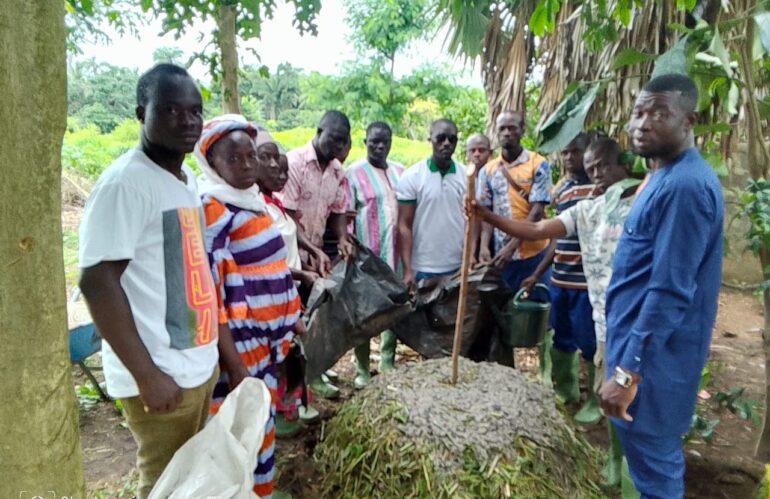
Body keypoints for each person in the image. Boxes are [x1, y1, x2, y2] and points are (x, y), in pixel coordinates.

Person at [466, 136, 640, 494]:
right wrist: (487, 215)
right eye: (592, 169)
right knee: (610, 396)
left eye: (604, 166)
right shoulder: (587, 210)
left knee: (641, 404)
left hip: (643, 321)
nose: (598, 174)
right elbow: (537, 229)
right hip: (608, 322)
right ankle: (615, 462)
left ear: (624, 164)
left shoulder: (643, 200)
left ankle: (635, 472)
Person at [78, 64, 219, 499]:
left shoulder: (184, 178)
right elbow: (98, 283)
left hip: (195, 365)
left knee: (192, 479)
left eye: (195, 111)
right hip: (161, 377)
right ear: (142, 113)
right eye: (172, 110)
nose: (188, 121)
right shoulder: (126, 184)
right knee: (163, 486)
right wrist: (147, 375)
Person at [599, 74, 723, 498]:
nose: (643, 123)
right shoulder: (665, 177)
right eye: (638, 112)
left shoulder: (685, 187)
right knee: (650, 468)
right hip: (644, 358)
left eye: (659, 113)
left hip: (654, 368)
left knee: (656, 476)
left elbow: (670, 290)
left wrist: (627, 372)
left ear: (690, 120)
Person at [196, 115, 301, 498]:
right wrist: (235, 364)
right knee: (236, 430)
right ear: (213, 164)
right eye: (233, 159)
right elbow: (213, 293)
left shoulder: (254, 203)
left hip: (266, 347)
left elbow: (274, 271)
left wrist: (292, 319)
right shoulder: (213, 212)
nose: (245, 166)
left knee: (261, 422)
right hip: (239, 349)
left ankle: (261, 491)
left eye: (250, 157)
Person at [277, 110, 357, 400]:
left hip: (315, 253)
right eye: (333, 138)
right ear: (319, 130)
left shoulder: (338, 172)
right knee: (292, 322)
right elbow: (284, 215)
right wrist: (309, 251)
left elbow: (337, 213)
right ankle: (295, 389)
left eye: (343, 141)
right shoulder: (295, 162)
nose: (337, 146)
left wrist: (343, 239)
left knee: (315, 317)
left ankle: (314, 373)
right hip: (289, 253)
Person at [524, 134, 598, 415]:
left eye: (575, 152)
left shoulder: (598, 189)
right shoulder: (563, 190)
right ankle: (566, 390)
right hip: (560, 278)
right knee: (561, 334)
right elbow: (557, 237)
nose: (568, 158)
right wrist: (538, 272)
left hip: (585, 281)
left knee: (590, 341)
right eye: (565, 153)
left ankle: (594, 399)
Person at [255, 134, 321, 433]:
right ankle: (279, 414)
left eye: (283, 169)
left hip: (289, 290)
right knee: (280, 353)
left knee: (291, 350)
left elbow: (290, 242)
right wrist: (302, 274)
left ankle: (291, 406)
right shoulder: (258, 207)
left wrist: (309, 259)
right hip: (272, 292)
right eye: (270, 165)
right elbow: (268, 260)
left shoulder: (275, 204)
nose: (281, 174)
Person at [346, 122, 405, 389]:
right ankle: (361, 368)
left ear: (391, 142)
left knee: (393, 309)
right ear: (365, 142)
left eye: (384, 142)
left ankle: (387, 361)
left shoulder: (401, 172)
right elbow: (345, 216)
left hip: (396, 256)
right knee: (364, 314)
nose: (379, 147)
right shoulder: (353, 174)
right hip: (366, 257)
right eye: (374, 142)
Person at [477, 111, 552, 292]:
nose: (507, 133)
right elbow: (486, 213)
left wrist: (511, 247)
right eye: (502, 129)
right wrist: (484, 247)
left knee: (535, 309)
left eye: (512, 128)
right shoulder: (487, 171)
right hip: (501, 259)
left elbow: (536, 212)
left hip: (534, 254)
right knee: (504, 311)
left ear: (522, 131)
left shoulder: (538, 164)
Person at [397, 119, 466, 287]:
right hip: (422, 267)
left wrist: (469, 259)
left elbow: (474, 220)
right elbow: (404, 224)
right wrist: (407, 270)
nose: (446, 143)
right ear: (430, 140)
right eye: (440, 138)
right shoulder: (412, 176)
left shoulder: (466, 176)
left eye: (452, 139)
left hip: (456, 266)